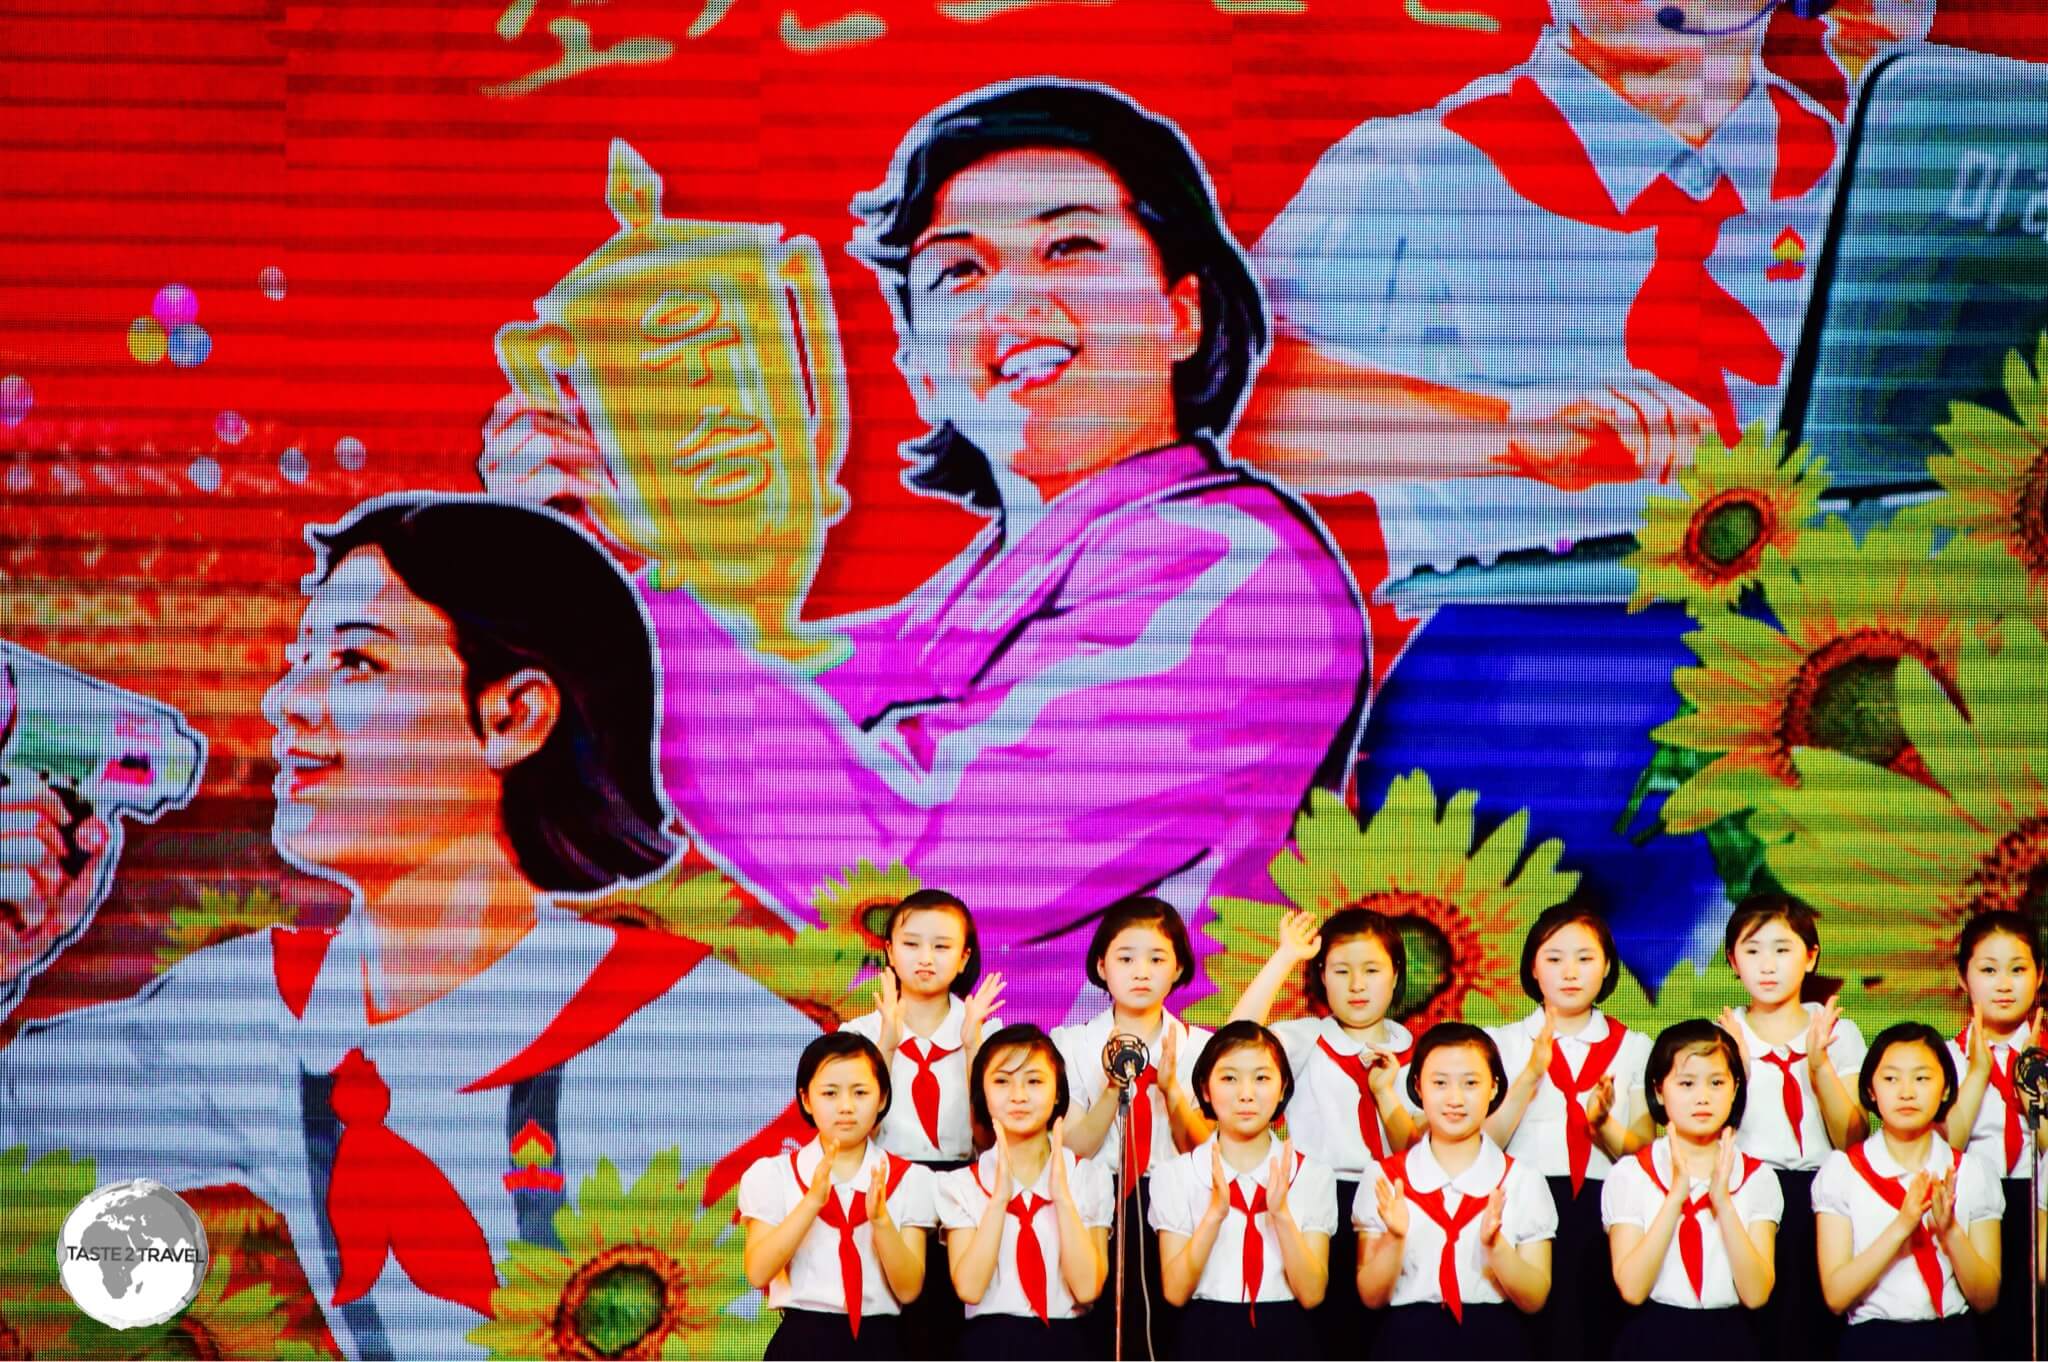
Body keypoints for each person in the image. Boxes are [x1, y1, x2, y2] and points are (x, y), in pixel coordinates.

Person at [478, 78, 1370, 1019]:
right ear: (915, 359)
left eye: (1070, 248)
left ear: (1182, 315)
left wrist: (634, 585)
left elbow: (923, 862)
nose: (1016, 302)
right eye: (960, 272)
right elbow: (796, 696)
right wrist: (578, 566)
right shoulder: (985, 588)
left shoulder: (1243, 578)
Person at [0, 496, 816, 1360]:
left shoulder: (701, 1035)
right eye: (297, 660)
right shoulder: (247, 1013)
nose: (288, 704)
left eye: (355, 662)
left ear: (512, 718)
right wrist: (11, 957)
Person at [1237, 0, 1854, 987]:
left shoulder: (1869, 181)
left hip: (1834, 707)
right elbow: (1234, 412)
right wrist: (1499, 432)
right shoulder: (1415, 171)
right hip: (1519, 711)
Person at [1228, 906, 1418, 1354]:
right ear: (1321, 977)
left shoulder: (1421, 1052)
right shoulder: (1304, 1038)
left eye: (1371, 970)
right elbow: (1234, 1040)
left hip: (1394, 1205)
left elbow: (1419, 1145)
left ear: (1395, 977)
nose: (1356, 985)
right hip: (1314, 1203)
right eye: (1341, 970)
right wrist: (1285, 956)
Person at [839, 889, 1007, 1356]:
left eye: (942, 946)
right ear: (889, 951)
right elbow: (853, 1132)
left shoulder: (989, 1035)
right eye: (911, 944)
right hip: (885, 1189)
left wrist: (974, 1047)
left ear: (964, 957)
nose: (926, 959)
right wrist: (888, 1045)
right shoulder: (857, 1036)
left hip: (965, 1190)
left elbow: (988, 1137)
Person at [1486, 898, 1654, 1356]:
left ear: (1606, 969)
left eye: (1585, 959)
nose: (1570, 972)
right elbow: (1486, 1145)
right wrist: (1528, 1077)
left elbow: (1646, 1154)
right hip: (1522, 1211)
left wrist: (1603, 1127)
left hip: (1608, 1210)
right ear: (1533, 969)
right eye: (1554, 959)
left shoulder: (1637, 1047)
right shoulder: (1500, 1043)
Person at [1049, 893, 1212, 1355]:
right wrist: (1108, 1090)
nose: (1141, 971)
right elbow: (1073, 1146)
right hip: (1095, 1202)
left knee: (1169, 1331)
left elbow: (1204, 1149)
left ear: (1178, 968)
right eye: (1126, 958)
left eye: (1157, 958)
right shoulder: (1072, 1045)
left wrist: (1174, 1094)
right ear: (1101, 966)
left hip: (1175, 1205)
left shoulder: (1200, 1048)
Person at [1716, 893, 1867, 1358]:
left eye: (1782, 949)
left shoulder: (1838, 1029)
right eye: (1752, 949)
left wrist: (1819, 1065)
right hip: (1746, 1196)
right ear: (1732, 961)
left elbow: (1854, 1138)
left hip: (1822, 1196)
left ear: (1810, 956)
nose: (1767, 964)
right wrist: (1734, 1069)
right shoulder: (1721, 1031)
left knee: (1813, 1332)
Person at [1357, 1022, 1556, 1356]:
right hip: (1405, 1342)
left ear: (1493, 1088)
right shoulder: (1385, 1177)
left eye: (1471, 1083)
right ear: (1418, 1087)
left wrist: (1496, 1248)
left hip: (1495, 1341)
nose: (1454, 1098)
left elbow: (1535, 1299)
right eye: (1439, 1083)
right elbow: (1371, 1297)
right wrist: (1393, 1239)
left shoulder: (1522, 1180)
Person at [741, 1031, 938, 1359]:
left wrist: (881, 1222)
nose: (846, 1106)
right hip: (802, 1340)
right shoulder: (772, 1175)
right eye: (830, 1093)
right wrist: (811, 1204)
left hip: (881, 1340)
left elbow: (908, 1288)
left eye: (860, 1092)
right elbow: (758, 1272)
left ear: (883, 1098)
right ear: (806, 1099)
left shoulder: (911, 1179)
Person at [1815, 1021, 2001, 1359]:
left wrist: (1950, 1232)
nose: (1906, 1092)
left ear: (1946, 1088)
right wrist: (1903, 1225)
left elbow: (1986, 1299)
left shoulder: (1973, 1173)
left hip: (1953, 1341)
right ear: (1871, 1090)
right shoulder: (1843, 1172)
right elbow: (1836, 1296)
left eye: (1922, 1078)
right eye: (1890, 1079)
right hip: (1872, 1343)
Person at [1150, 1021, 1335, 1358]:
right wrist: (1213, 1217)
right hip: (1204, 1335)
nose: (1246, 1094)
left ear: (1282, 1089)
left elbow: (1312, 1294)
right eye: (1229, 1078)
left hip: (1287, 1335)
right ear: (1205, 1090)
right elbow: (1175, 1293)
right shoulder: (1176, 1175)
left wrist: (1280, 1215)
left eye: (1262, 1078)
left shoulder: (1312, 1175)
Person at [1604, 1019, 1781, 1359]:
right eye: (1686, 1083)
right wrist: (1675, 1198)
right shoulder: (1630, 1174)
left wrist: (1723, 1204)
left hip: (1732, 1339)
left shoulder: (1758, 1177)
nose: (1702, 1097)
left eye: (1716, 1082)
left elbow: (1757, 1293)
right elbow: (1632, 1288)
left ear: (1735, 1088)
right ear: (1659, 1090)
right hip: (1651, 1338)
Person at [938, 1024, 1110, 1359]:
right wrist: (999, 1199)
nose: (1018, 1095)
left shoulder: (1090, 1178)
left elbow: (1087, 1289)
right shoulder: (961, 1185)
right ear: (981, 1094)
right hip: (988, 1345)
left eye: (1034, 1081)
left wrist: (1061, 1197)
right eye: (1002, 1081)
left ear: (1058, 1092)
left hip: (1067, 1343)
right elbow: (970, 1289)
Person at [1945, 911, 2046, 1360]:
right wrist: (1977, 1074)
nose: (2003, 984)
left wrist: (2030, 1083)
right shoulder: (1942, 1057)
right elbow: (1943, 1148)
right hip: (1971, 1212)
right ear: (1963, 978)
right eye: (1988, 970)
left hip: (2040, 1208)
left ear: (2040, 976)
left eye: (2017, 969)